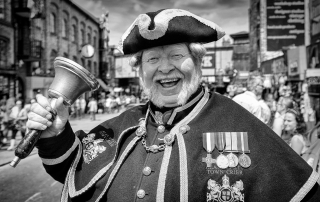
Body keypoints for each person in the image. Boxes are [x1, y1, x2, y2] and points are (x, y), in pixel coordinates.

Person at [26, 8, 320, 201]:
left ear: (198, 62)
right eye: (153, 59)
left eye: (177, 56)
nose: (165, 68)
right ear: (141, 71)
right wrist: (56, 134)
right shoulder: (124, 123)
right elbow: (75, 171)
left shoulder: (236, 121)